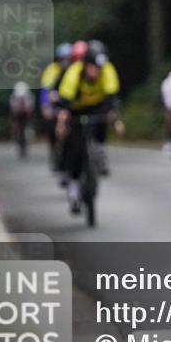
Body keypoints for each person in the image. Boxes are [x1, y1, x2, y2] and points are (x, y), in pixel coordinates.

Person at [55, 41, 124, 213]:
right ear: (85, 65)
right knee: (75, 147)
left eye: (99, 67)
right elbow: (64, 102)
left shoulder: (107, 70)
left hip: (97, 107)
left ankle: (100, 151)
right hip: (76, 108)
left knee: (103, 119)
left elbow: (112, 97)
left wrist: (115, 120)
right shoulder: (73, 73)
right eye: (93, 67)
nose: (96, 71)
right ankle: (74, 187)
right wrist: (62, 121)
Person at [39, 42, 72, 170]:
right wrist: (45, 106)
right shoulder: (52, 70)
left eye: (68, 58)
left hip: (71, 105)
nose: (66, 62)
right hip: (57, 105)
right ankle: (54, 153)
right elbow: (45, 90)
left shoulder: (77, 69)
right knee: (51, 126)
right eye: (63, 59)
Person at [9, 81, 35, 153]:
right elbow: (12, 107)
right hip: (18, 115)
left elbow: (30, 107)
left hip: (25, 115)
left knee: (27, 128)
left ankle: (25, 142)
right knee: (17, 128)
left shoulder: (28, 97)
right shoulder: (14, 97)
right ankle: (18, 142)